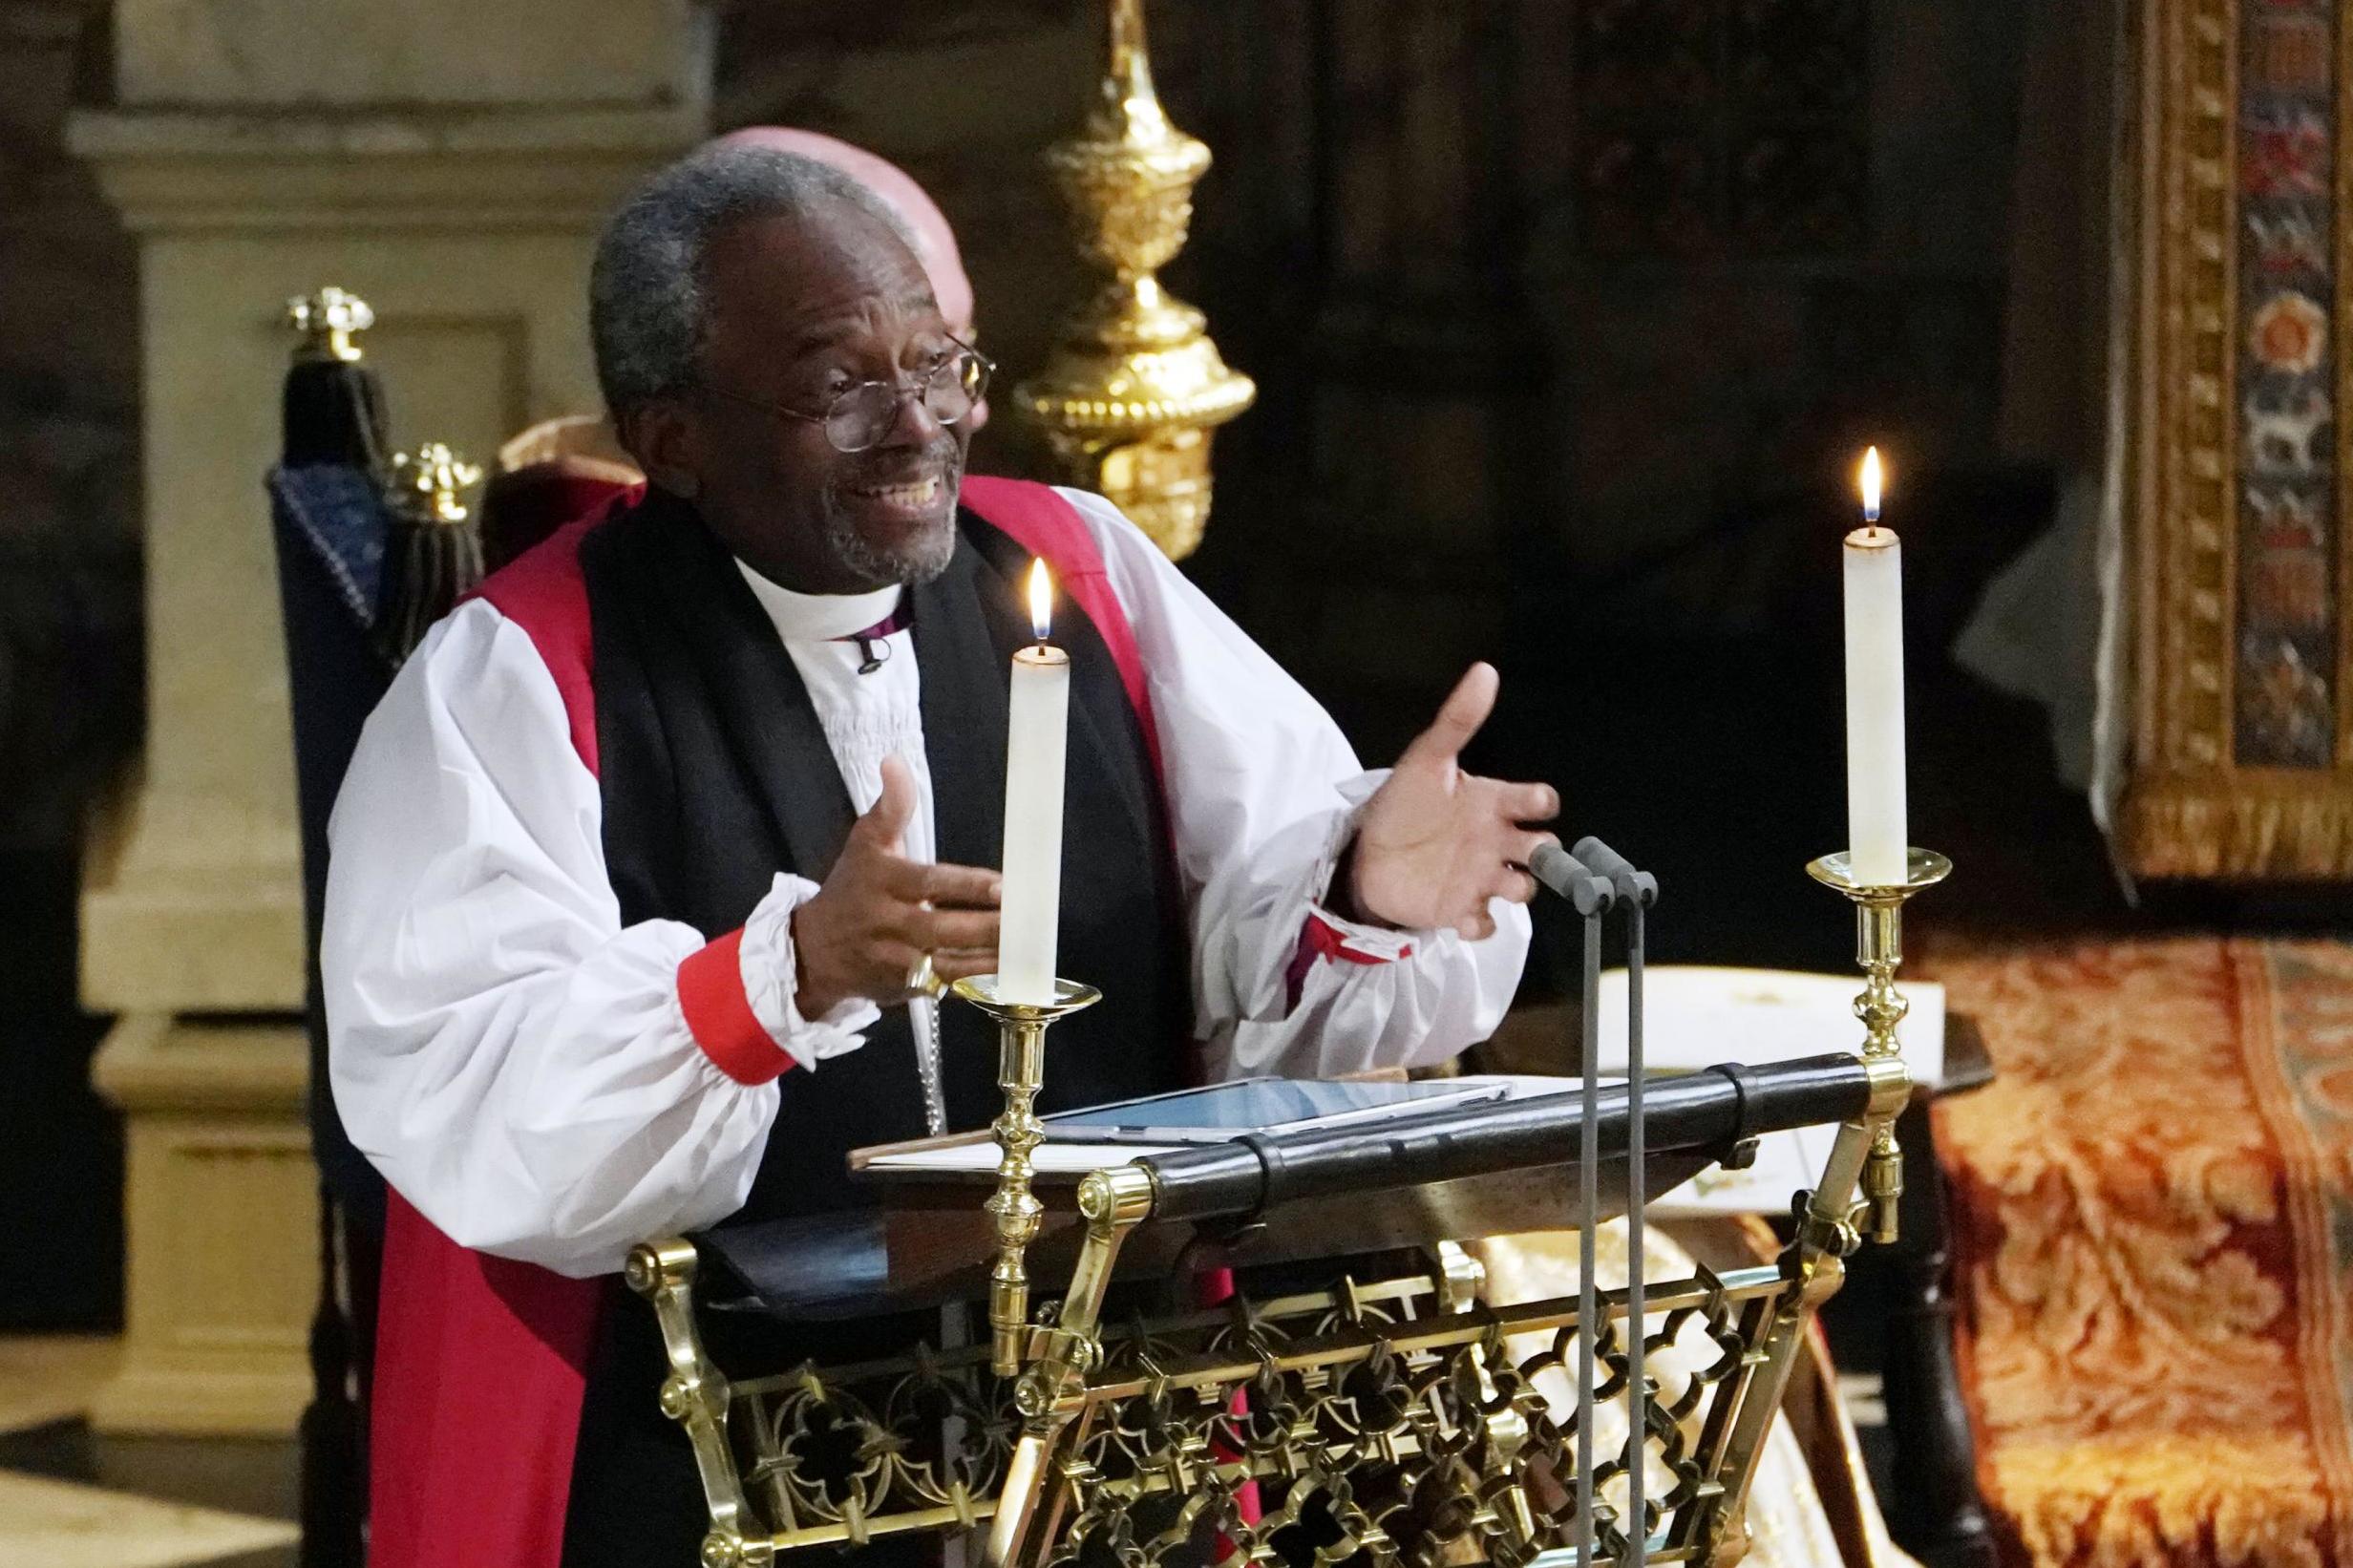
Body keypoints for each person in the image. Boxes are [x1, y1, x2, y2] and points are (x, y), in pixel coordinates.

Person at [322, 142, 1558, 1568]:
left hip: (1097, 1435)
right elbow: (468, 1087)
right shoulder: (519, 673)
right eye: (841, 385)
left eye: (938, 365)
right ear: (672, 436)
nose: (917, 426)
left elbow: (1251, 967)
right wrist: (777, 979)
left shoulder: (1077, 568)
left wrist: (1364, 894)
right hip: (709, 1461)